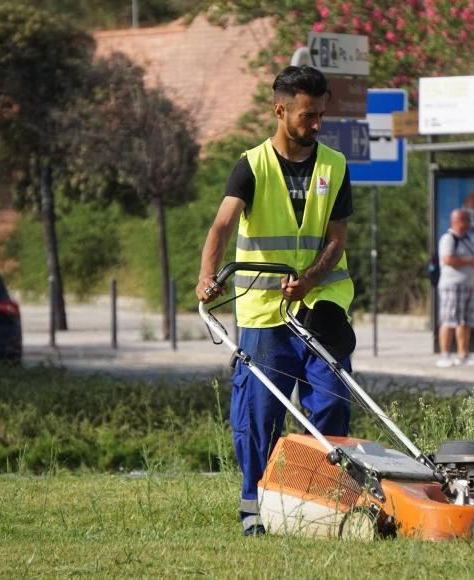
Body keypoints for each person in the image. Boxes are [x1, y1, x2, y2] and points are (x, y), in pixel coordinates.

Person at [194, 65, 355, 537]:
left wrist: (310, 279)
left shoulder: (335, 165)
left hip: (322, 303)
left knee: (330, 402)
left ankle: (325, 499)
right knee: (261, 411)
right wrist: (208, 277)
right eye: (308, 115)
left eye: (322, 115)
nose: (317, 125)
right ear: (280, 110)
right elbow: (221, 227)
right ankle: (254, 502)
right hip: (264, 314)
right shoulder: (251, 165)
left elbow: (337, 239)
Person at [436, 208, 474, 368]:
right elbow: (448, 259)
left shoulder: (468, 239)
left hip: (468, 286)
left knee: (465, 321)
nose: (469, 223)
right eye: (466, 220)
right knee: (449, 319)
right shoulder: (449, 238)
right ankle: (445, 355)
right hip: (452, 286)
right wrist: (472, 262)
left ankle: (463, 354)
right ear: (457, 221)